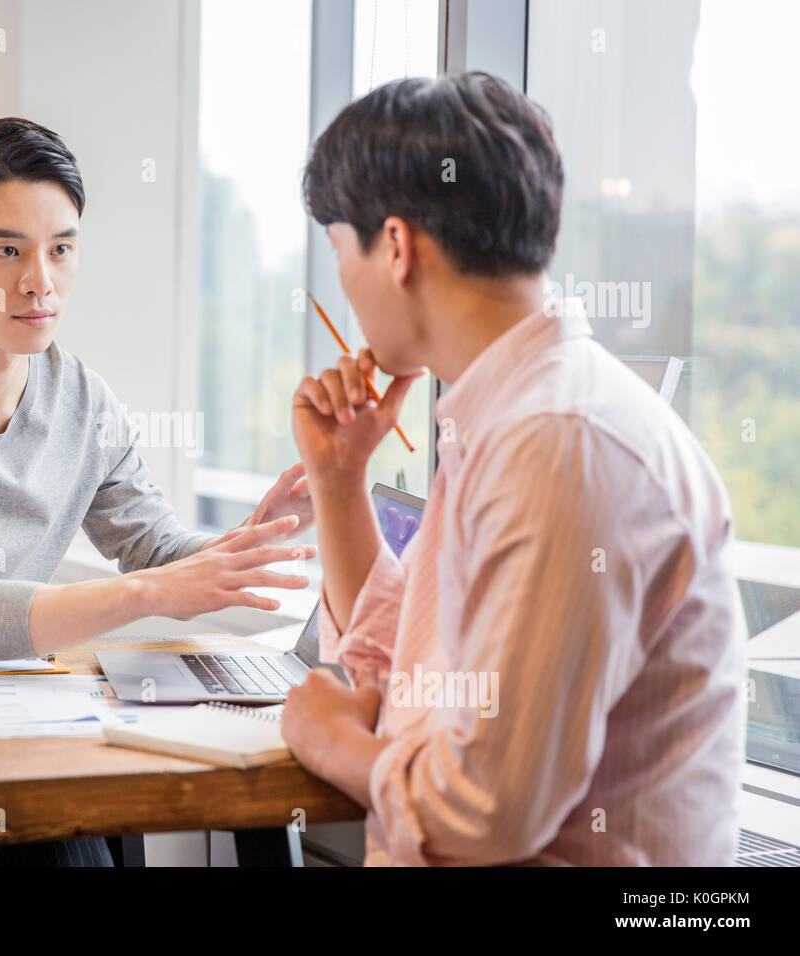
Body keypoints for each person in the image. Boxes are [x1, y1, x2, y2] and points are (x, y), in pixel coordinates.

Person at [280, 72, 746, 866]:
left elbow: (486, 808)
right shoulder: (512, 417)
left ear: (394, 246)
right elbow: (412, 669)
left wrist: (328, 745)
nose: (342, 288)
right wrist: (338, 478)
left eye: (337, 250)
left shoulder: (558, 442)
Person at [0, 117, 316, 669]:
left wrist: (260, 535)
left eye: (60, 249)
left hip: (2, 702)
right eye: (7, 252)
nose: (40, 282)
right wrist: (142, 597)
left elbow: (157, 554)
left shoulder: (85, 403)